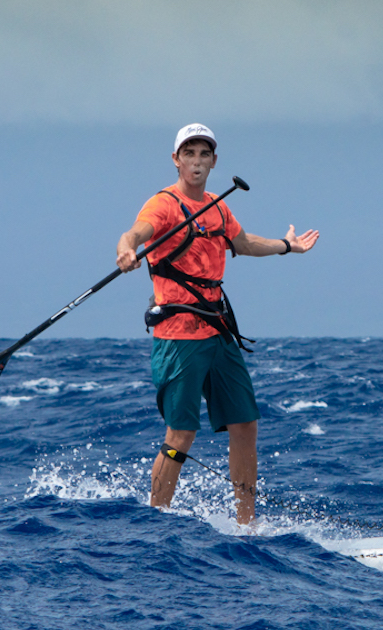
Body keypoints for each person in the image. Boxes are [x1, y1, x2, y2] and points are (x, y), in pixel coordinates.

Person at [116, 124, 319, 524]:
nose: (196, 161)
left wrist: (285, 246)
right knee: (181, 435)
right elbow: (135, 233)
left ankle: (247, 526)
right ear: (176, 160)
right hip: (179, 338)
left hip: (218, 332)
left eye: (203, 154)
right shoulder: (163, 205)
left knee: (245, 424)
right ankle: (156, 523)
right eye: (188, 153)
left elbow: (243, 243)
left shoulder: (218, 206)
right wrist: (126, 250)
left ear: (213, 161)